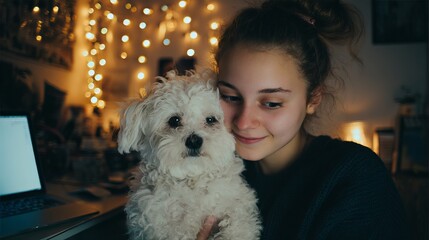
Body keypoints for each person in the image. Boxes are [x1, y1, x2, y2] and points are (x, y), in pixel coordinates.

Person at [197, 0, 408, 239]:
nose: (244, 122)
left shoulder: (354, 177)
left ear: (313, 99)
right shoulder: (208, 170)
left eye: (272, 103)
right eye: (230, 96)